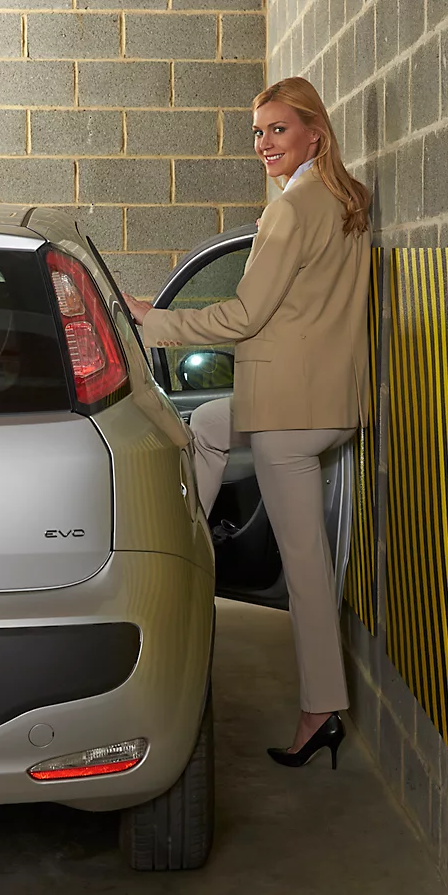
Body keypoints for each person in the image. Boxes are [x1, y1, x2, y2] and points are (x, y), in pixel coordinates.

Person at [123, 77, 372, 770]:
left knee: (306, 570)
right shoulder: (345, 200)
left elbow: (243, 318)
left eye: (279, 130)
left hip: (291, 413)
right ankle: (189, 546)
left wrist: (153, 318)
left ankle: (320, 709)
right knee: (207, 419)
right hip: (326, 399)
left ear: (314, 134)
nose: (264, 144)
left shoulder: (293, 210)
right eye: (258, 132)